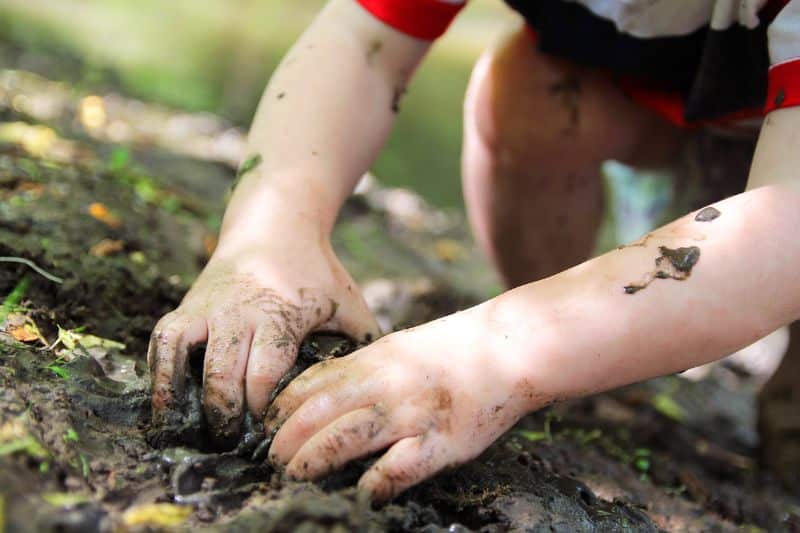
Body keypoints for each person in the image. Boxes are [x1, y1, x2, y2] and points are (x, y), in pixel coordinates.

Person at [147, 0, 800, 501]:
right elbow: (364, 40)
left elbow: (784, 224)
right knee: (530, 90)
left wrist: (494, 349)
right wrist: (273, 234)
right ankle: (586, 368)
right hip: (670, 102)